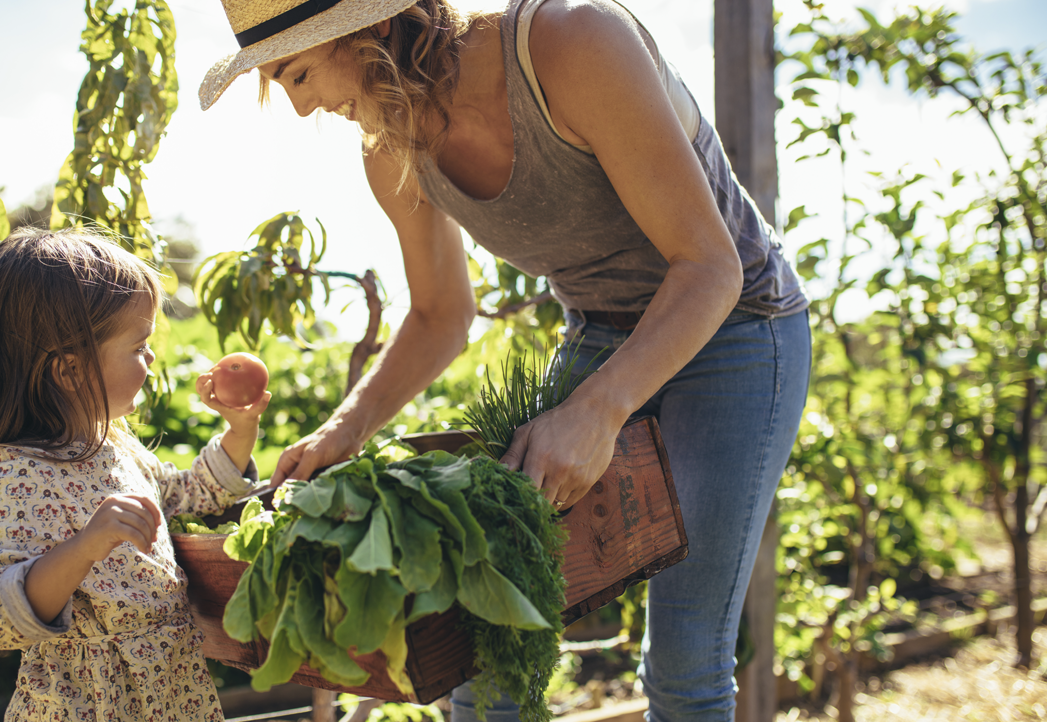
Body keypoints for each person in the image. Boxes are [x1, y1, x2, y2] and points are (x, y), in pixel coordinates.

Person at [200, 0, 810, 719]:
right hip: (600, 332)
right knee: (488, 631)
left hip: (737, 329)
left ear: (369, 28)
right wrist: (346, 427)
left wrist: (597, 409)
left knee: (684, 655)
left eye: (299, 73)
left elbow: (710, 267)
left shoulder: (573, 42)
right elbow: (439, 315)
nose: (303, 108)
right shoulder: (390, 149)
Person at [0, 228, 271, 722]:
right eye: (139, 345)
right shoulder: (19, 474)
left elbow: (192, 494)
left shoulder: (117, 449)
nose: (151, 359)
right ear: (71, 371)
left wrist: (240, 430)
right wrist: (85, 546)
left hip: (168, 688)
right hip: (92, 700)